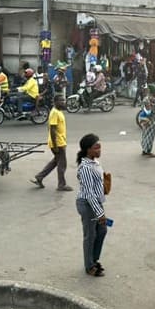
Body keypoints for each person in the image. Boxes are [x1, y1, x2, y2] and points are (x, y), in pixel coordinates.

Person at [75, 133, 108, 277]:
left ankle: (93, 259)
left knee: (102, 231)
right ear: (88, 150)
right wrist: (100, 213)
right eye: (96, 147)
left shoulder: (94, 162)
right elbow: (88, 193)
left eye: (100, 147)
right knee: (91, 235)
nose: (99, 150)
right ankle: (89, 266)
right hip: (88, 205)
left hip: (96, 202)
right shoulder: (86, 168)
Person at [31, 94, 72, 191]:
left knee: (55, 162)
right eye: (61, 101)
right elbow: (52, 129)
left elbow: (49, 127)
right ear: (55, 102)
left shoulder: (58, 112)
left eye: (64, 100)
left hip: (60, 141)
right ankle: (61, 185)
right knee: (62, 164)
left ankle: (39, 177)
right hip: (58, 143)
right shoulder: (54, 113)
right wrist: (55, 144)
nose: (63, 102)